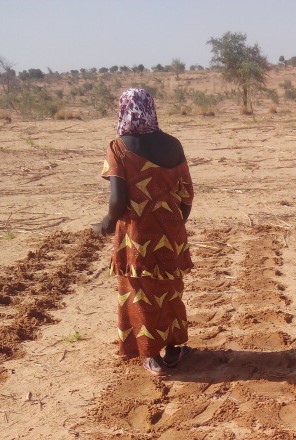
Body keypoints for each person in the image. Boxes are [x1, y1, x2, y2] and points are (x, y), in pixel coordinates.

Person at [98, 88, 194, 376]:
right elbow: (187, 195)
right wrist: (175, 225)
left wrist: (104, 223)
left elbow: (117, 201)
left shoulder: (119, 147)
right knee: (170, 288)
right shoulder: (173, 145)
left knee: (140, 292)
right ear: (151, 109)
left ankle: (151, 355)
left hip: (136, 235)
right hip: (171, 230)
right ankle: (174, 347)